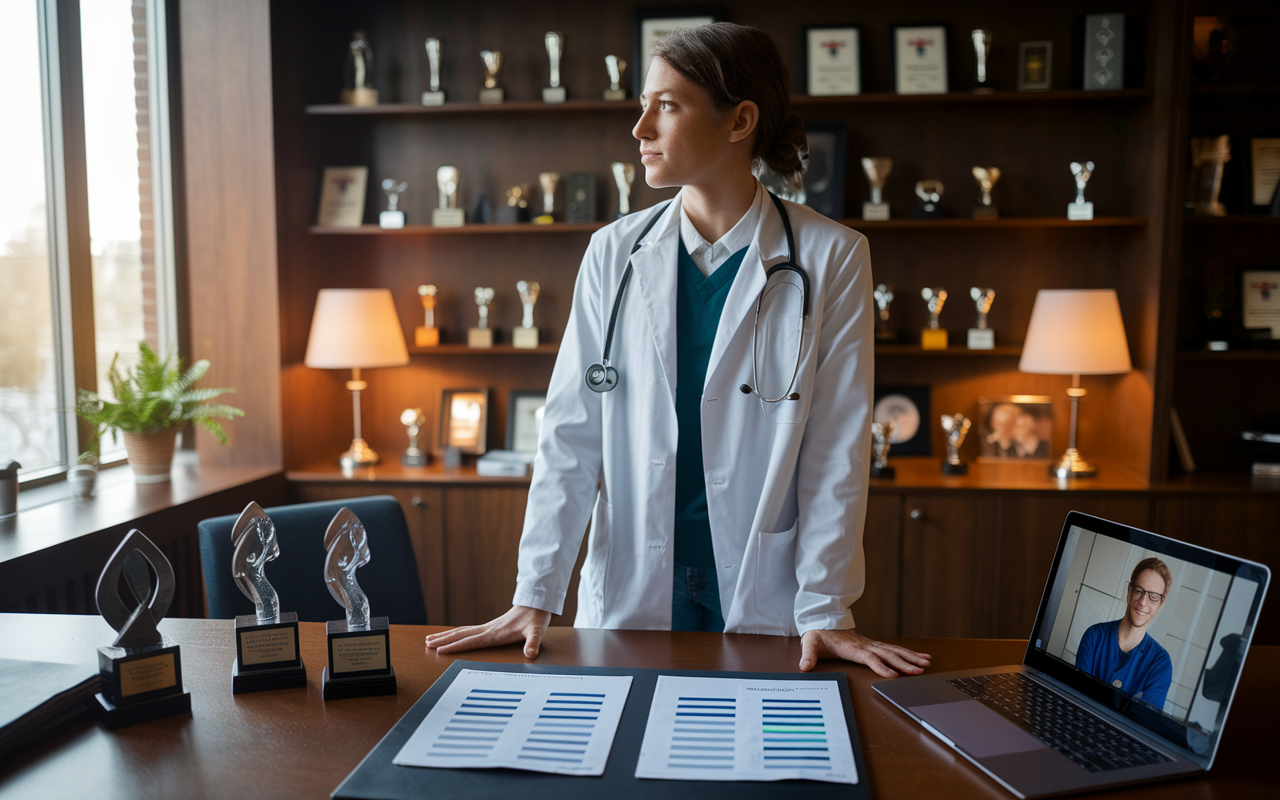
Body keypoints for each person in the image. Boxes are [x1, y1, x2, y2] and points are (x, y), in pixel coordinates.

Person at [426, 23, 931, 678]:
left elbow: (836, 448)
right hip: (637, 577)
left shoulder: (831, 257)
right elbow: (570, 436)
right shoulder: (614, 252)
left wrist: (826, 606)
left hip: (761, 583)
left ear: (739, 120)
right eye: (643, 104)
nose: (639, 128)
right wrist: (536, 592)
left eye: (666, 105)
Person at [1075, 558, 1174, 710]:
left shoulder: (1161, 664)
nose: (1142, 602)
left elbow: (1143, 724)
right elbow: (1078, 698)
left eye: (1153, 596)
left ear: (1161, 603)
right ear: (1129, 591)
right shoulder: (1094, 637)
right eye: (1139, 591)